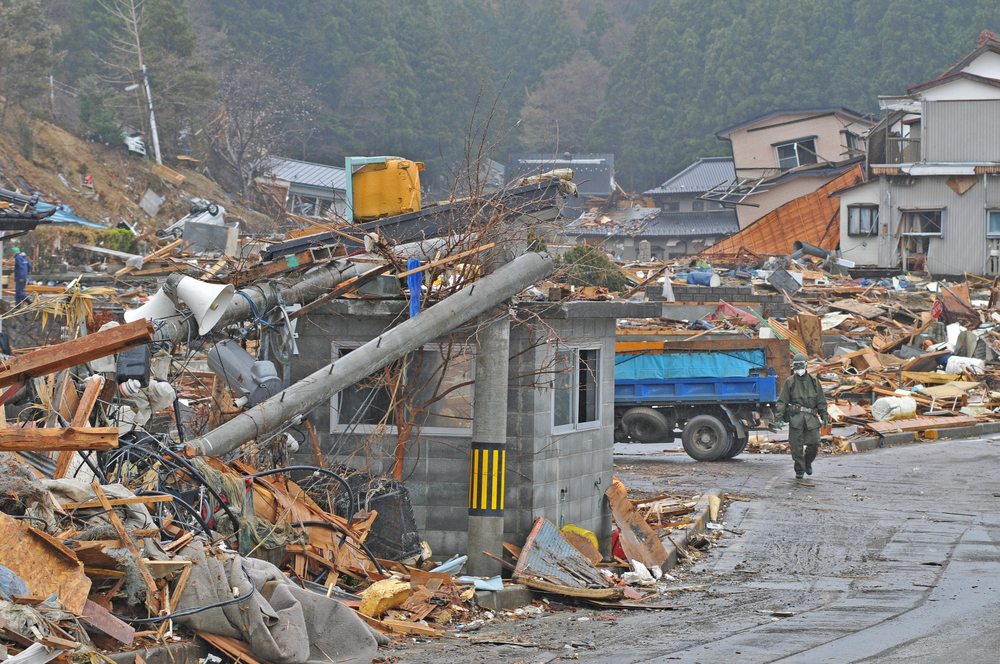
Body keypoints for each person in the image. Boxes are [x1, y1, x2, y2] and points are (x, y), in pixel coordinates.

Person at [775, 353, 828, 480]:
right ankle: (799, 469)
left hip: (811, 418)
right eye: (796, 366)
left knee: (814, 443)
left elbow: (821, 400)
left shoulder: (814, 381)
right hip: (796, 418)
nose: (799, 369)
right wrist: (779, 417)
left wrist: (825, 416)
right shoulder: (790, 382)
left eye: (801, 366)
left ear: (806, 366)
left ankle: (807, 462)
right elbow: (782, 401)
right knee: (796, 447)